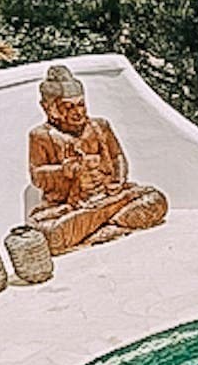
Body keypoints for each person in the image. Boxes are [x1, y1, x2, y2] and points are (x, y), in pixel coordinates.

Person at [26, 65, 168, 251]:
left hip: (109, 197)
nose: (78, 112)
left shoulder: (99, 126)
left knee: (155, 199)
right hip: (75, 207)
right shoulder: (41, 136)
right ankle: (110, 224)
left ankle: (99, 226)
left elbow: (117, 157)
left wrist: (118, 180)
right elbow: (37, 175)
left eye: (81, 105)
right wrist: (64, 170)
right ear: (51, 109)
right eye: (68, 107)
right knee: (50, 234)